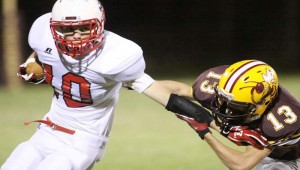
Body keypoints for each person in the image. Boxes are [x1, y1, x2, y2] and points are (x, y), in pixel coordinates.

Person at [1, 0, 176, 169]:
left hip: (81, 142)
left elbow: (154, 87)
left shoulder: (116, 55)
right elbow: (41, 50)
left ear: (99, 26)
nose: (76, 37)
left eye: (84, 28)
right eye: (68, 29)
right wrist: (31, 62)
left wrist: (195, 109)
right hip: (47, 130)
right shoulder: (46, 38)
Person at [160, 59, 300, 170]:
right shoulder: (228, 87)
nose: (227, 110)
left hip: (290, 157)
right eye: (224, 100)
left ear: (263, 101)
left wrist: (204, 132)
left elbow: (241, 164)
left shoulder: (280, 121)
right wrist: (143, 83)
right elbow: (180, 89)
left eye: (237, 106)